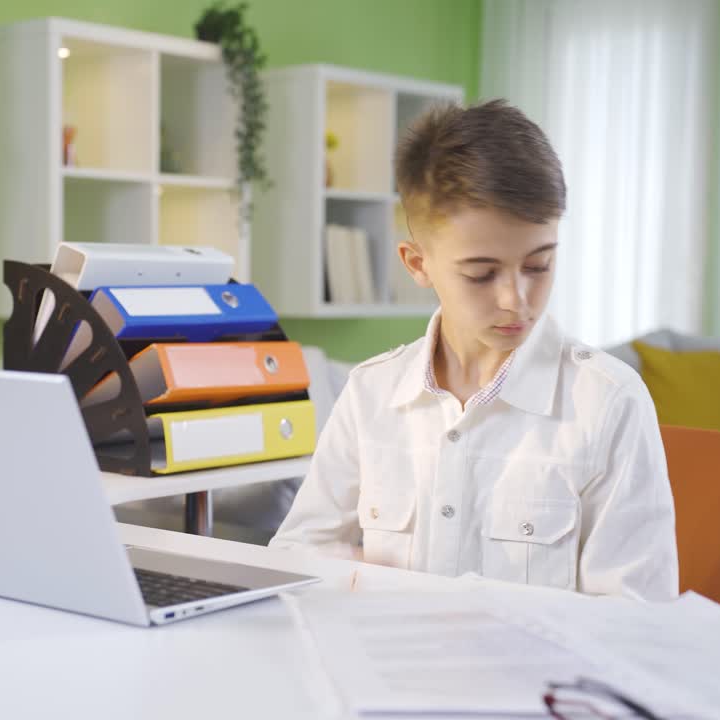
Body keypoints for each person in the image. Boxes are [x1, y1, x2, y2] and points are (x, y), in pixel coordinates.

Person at [269, 100, 678, 600]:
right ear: (418, 264)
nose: (516, 300)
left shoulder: (609, 403)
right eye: (481, 274)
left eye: (538, 266)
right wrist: (349, 574)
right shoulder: (371, 392)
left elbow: (634, 617)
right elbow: (296, 551)